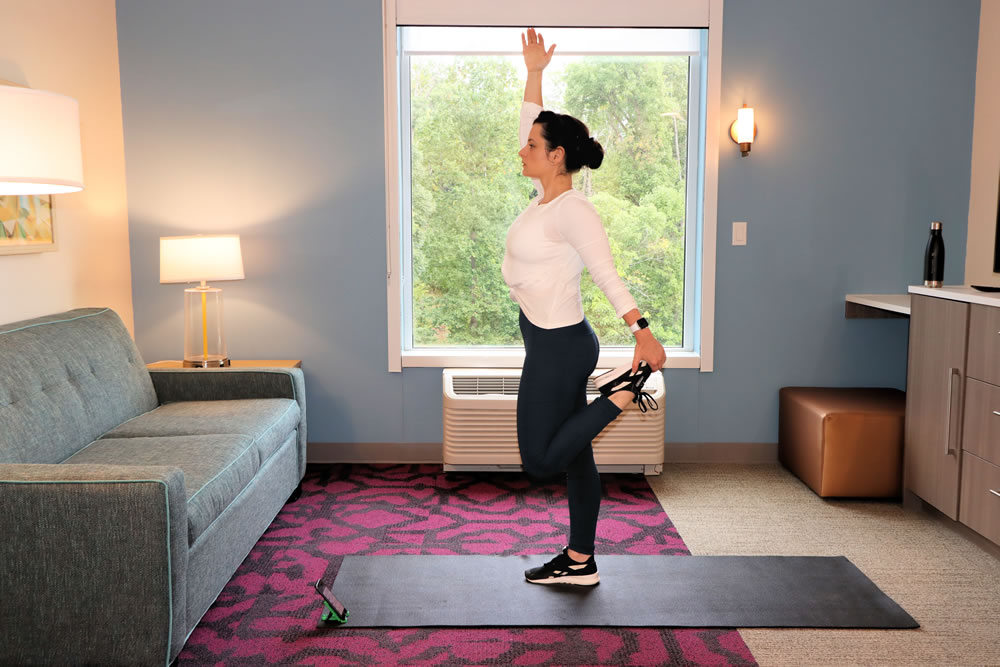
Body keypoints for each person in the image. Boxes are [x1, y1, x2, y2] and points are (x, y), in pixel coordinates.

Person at [503, 28, 667, 586]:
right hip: (550, 340)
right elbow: (530, 119)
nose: (520, 149)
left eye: (531, 146)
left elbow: (606, 274)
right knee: (575, 457)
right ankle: (580, 561)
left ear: (557, 157)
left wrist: (642, 332)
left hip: (561, 348)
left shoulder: (574, 211)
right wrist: (533, 73)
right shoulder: (542, 199)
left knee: (540, 460)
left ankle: (622, 395)